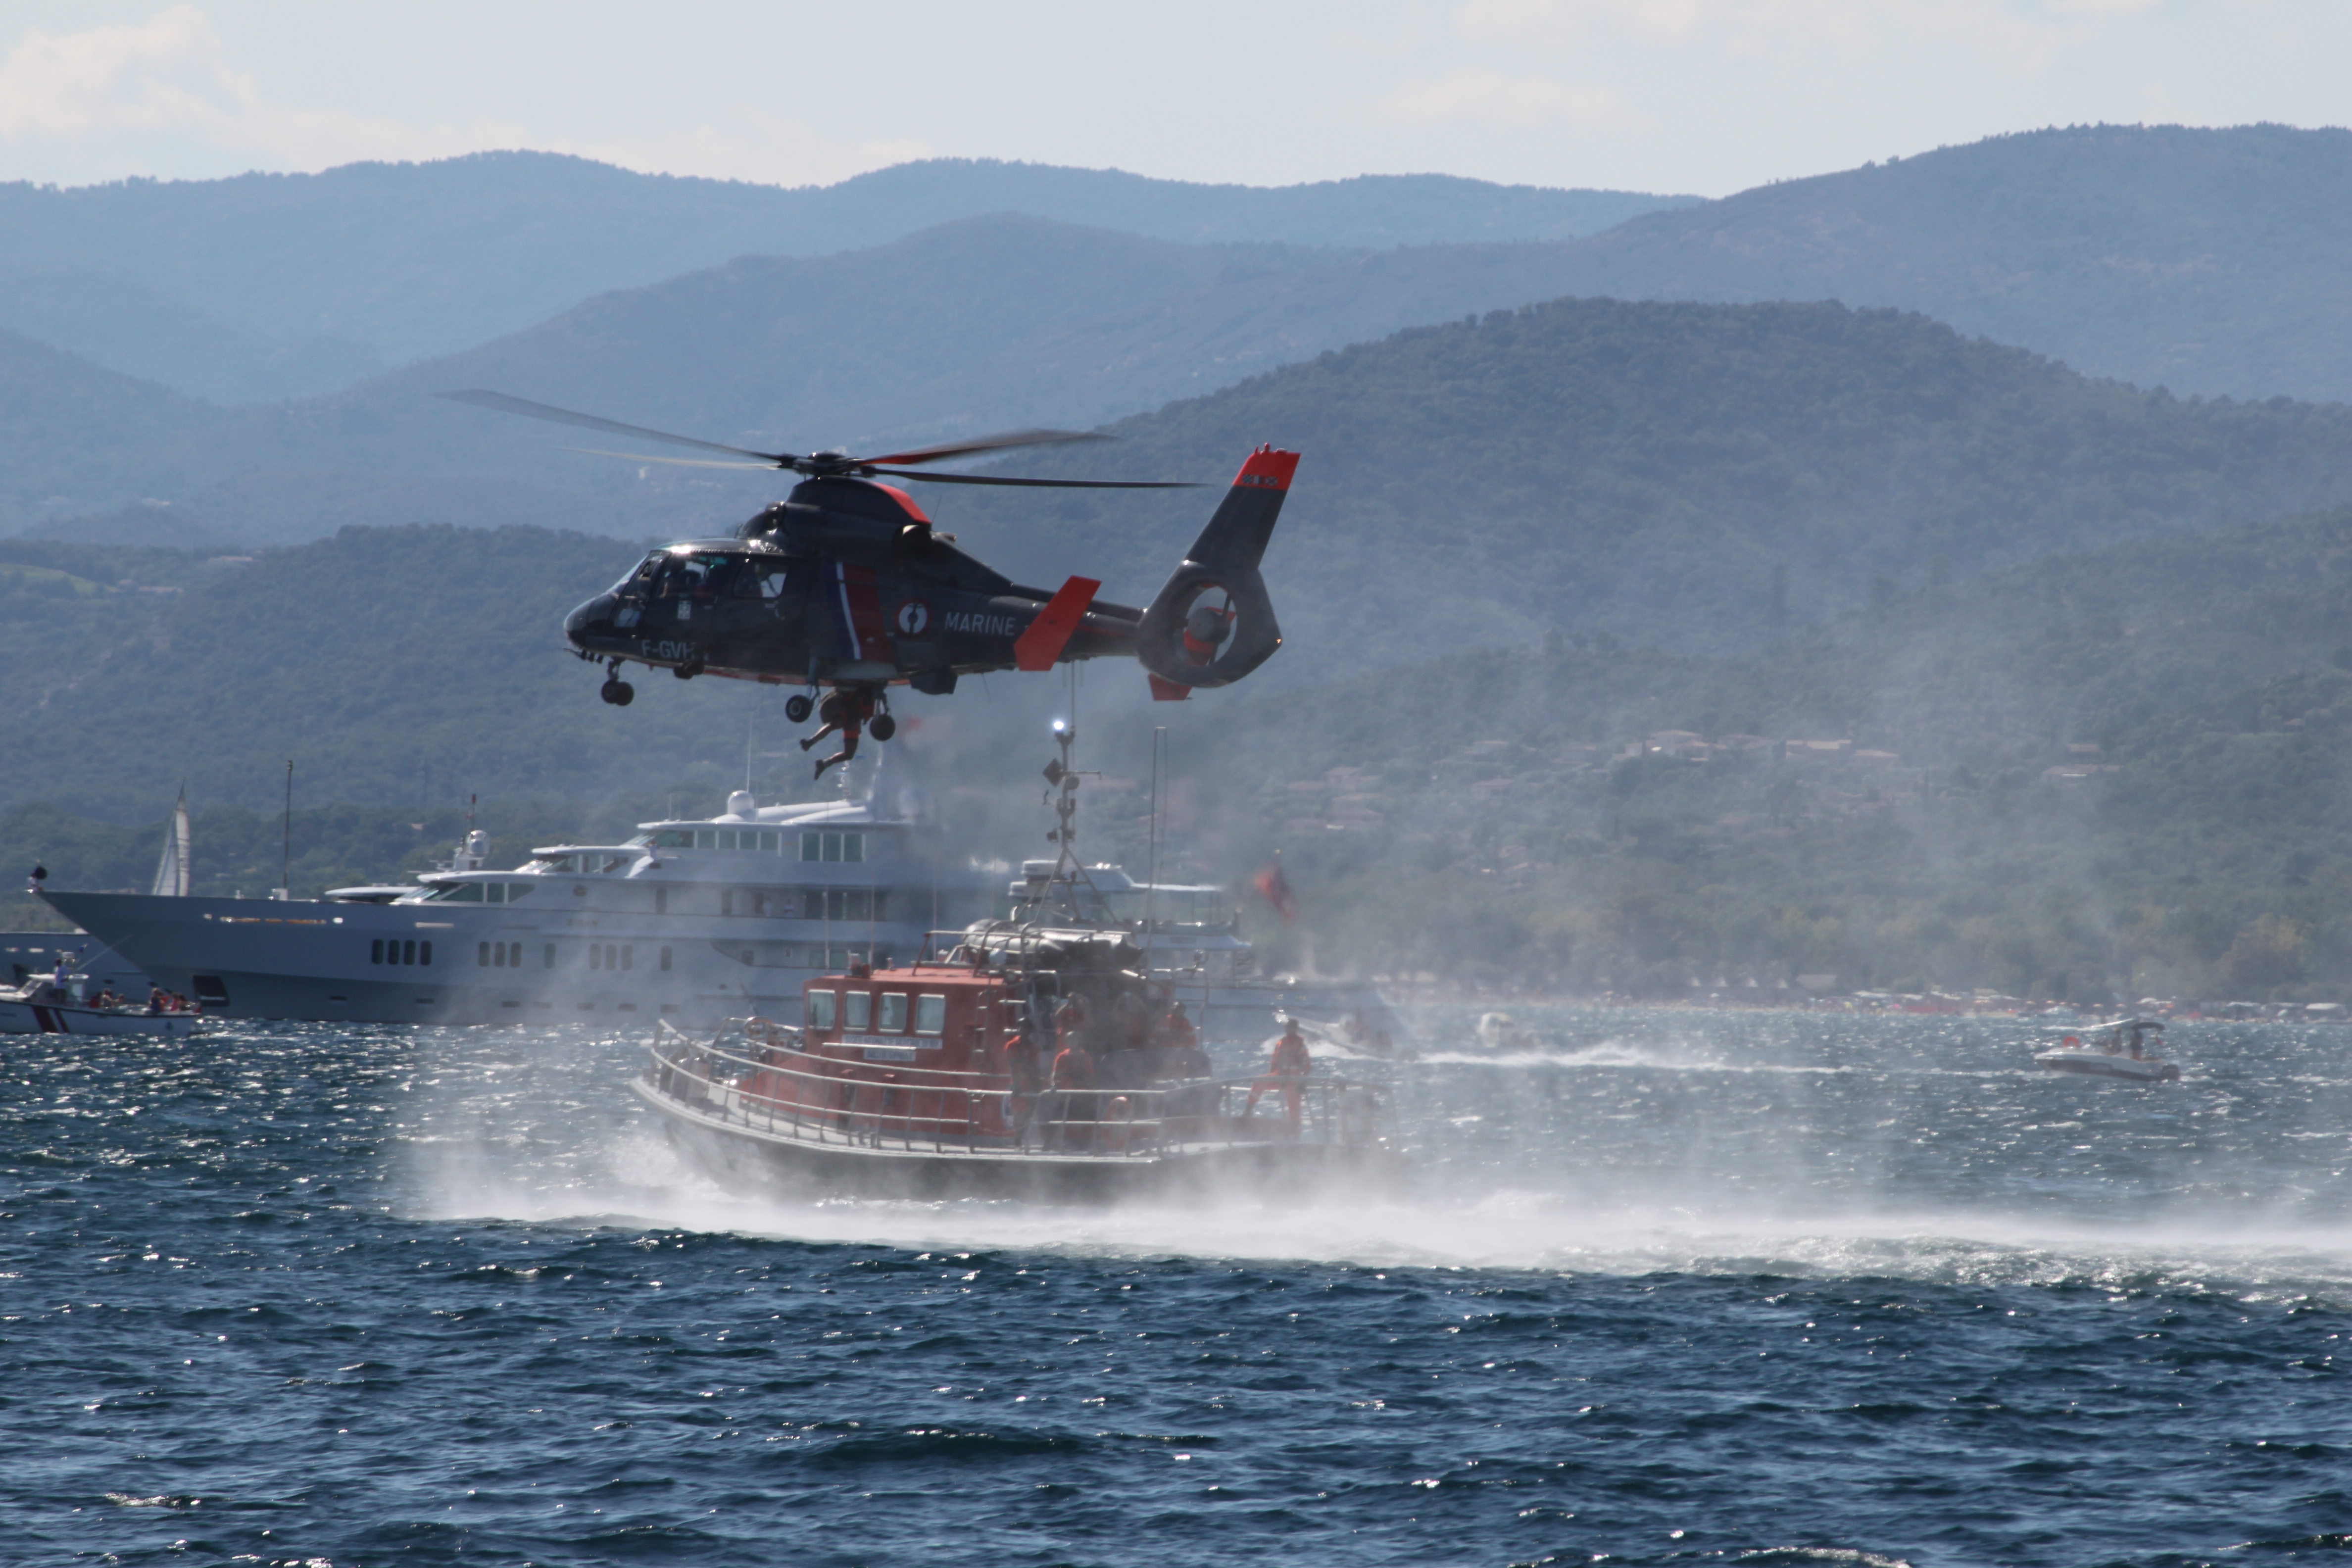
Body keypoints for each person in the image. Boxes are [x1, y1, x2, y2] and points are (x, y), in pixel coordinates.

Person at [1246, 1018, 1313, 1130]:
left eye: (1291, 1027)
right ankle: (1249, 1109)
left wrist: (1302, 1082)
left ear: (1296, 1029)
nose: (1288, 1029)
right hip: (1279, 1077)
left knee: (1294, 1109)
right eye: (1287, 1027)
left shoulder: (1300, 1045)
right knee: (1259, 1081)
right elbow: (1274, 1062)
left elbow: (1306, 1065)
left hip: (1294, 1082)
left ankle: (1295, 1129)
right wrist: (1273, 1077)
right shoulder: (1281, 1043)